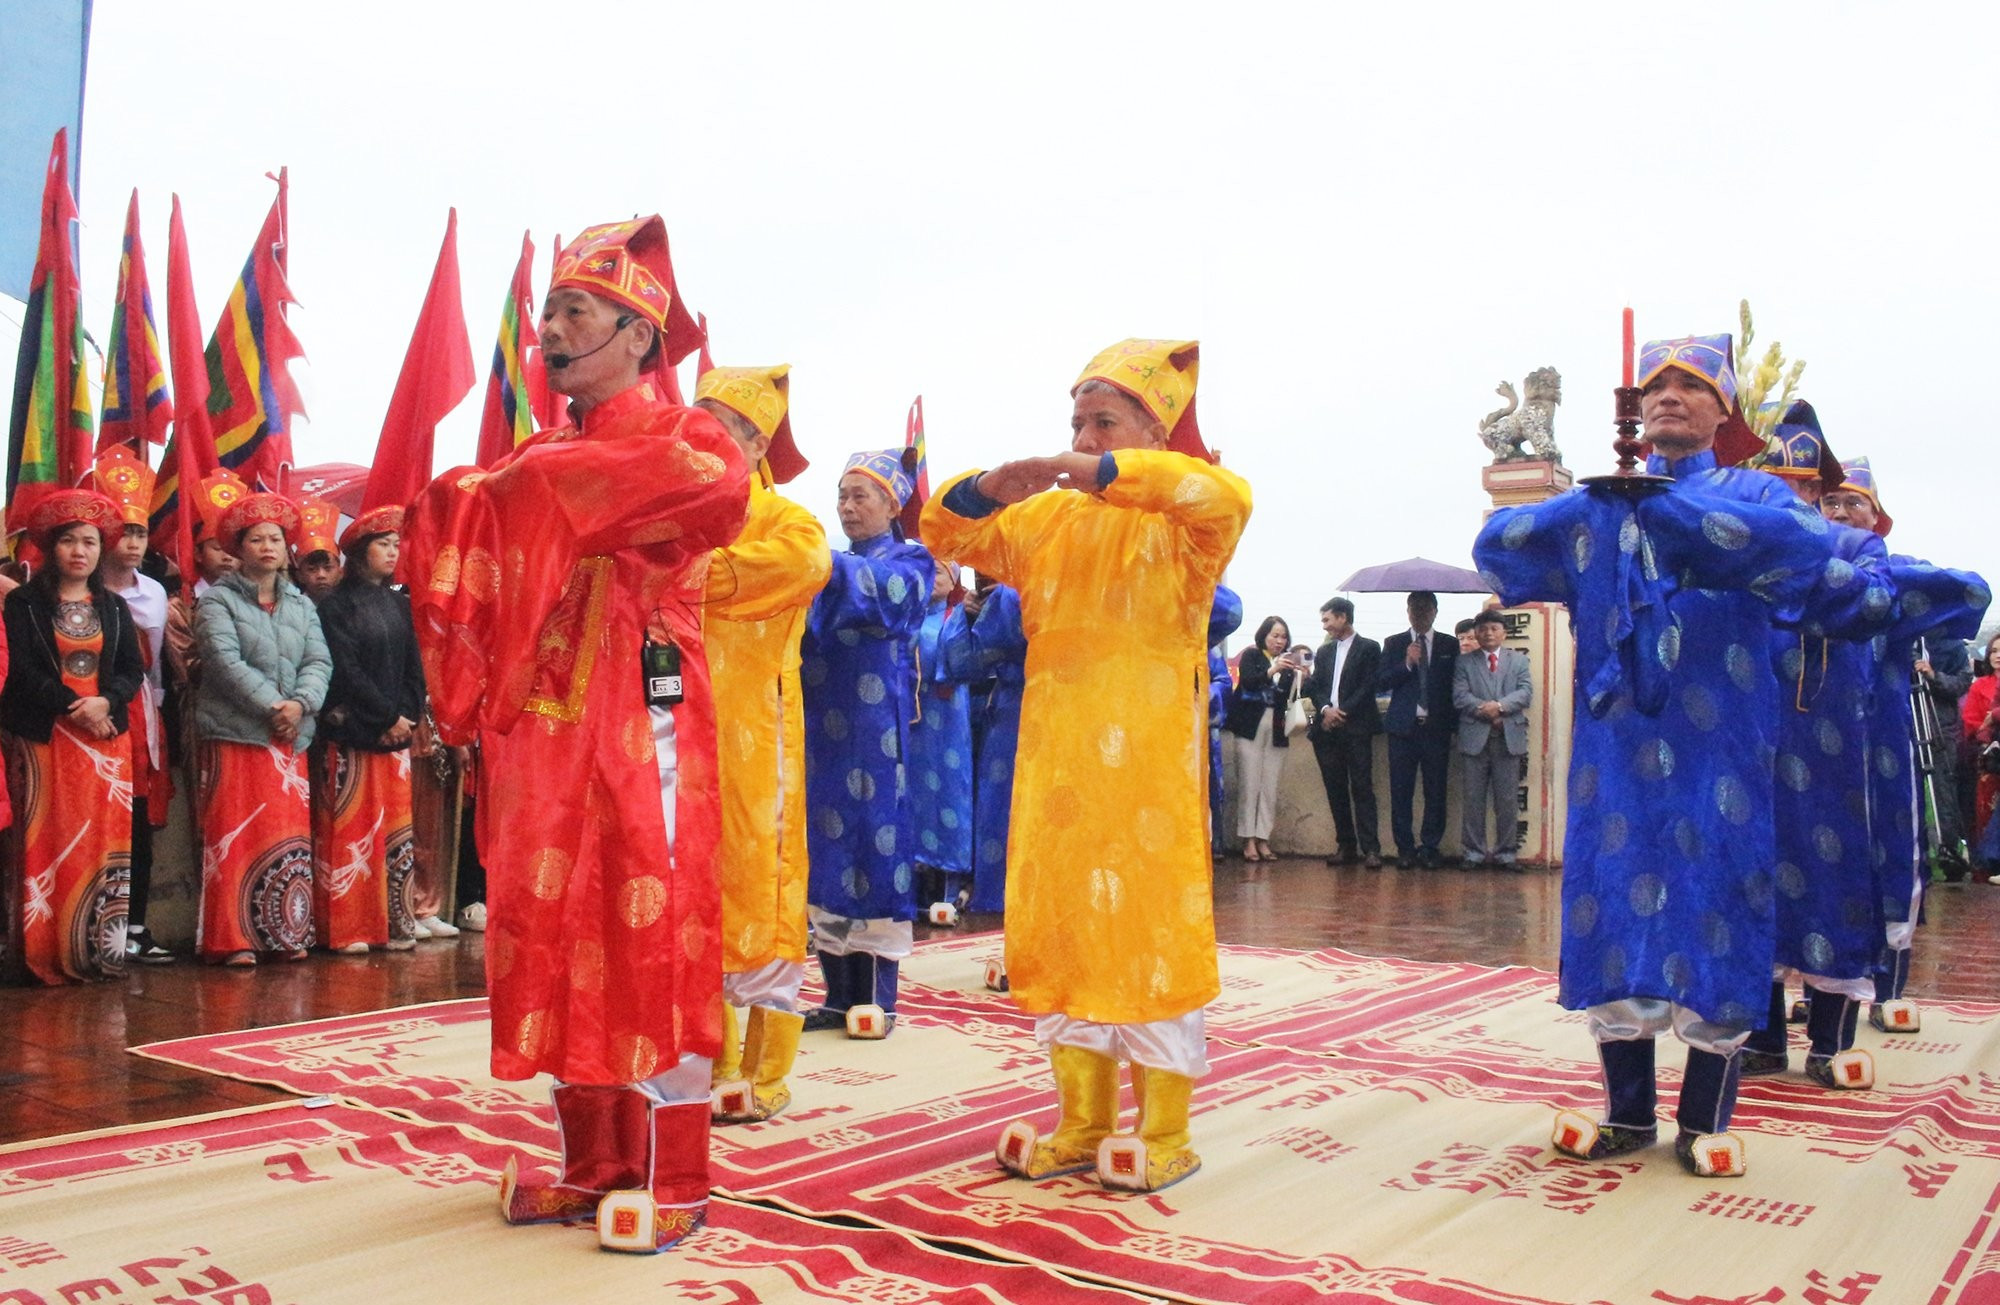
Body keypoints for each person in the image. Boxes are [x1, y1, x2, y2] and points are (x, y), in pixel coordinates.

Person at [402, 215, 749, 1254]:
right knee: (550, 927)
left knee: (652, 923)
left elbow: (705, 496)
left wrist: (510, 494)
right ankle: (592, 1165)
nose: (549, 330)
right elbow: (453, 528)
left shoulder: (691, 442)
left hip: (643, 724)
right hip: (542, 736)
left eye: (575, 312)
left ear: (639, 336)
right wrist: (475, 502)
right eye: (548, 311)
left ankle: (676, 1171)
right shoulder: (540, 453)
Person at [1476, 329, 1862, 1178]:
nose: (1669, 398)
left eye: (1690, 385)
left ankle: (1704, 1117)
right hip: (1615, 750)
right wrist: (1598, 506)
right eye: (1655, 386)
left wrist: (1670, 513)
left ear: (1724, 409)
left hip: (1719, 745)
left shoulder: (1758, 492)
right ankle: (1625, 1114)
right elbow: (1498, 549)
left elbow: (1802, 553)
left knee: (1718, 901)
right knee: (1611, 908)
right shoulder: (1605, 501)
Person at [924, 337, 1251, 1193]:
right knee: (1065, 934)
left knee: (1148, 936)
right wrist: (996, 484)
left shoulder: (1186, 522)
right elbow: (945, 529)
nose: (1081, 435)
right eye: (1076, 421)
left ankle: (1168, 1129)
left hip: (1146, 767)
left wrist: (1101, 469)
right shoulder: (1047, 522)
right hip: (1057, 762)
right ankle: (1082, 1123)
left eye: (1103, 420)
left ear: (1156, 425)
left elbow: (1218, 492)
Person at [1732, 403, 1899, 1090]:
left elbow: (1878, 604)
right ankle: (1764, 1038)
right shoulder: (1747, 547)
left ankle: (1830, 1042)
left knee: (1835, 878)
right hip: (1757, 732)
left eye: (1810, 490)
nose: (1799, 501)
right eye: (1785, 484)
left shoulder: (1859, 550)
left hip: (1834, 739)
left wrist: (1812, 556)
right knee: (1758, 878)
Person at [694, 362, 829, 1123]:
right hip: (676, 730)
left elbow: (806, 567)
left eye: (717, 430)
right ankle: (709, 1061)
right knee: (696, 890)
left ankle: (767, 1071)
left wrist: (690, 574)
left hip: (759, 737)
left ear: (754, 441)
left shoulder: (788, 521)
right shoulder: (675, 513)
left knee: (764, 883)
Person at [1819, 457, 1988, 1034]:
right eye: (1829, 505)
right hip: (1815, 747)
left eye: (1853, 505)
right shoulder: (1801, 571)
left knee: (1893, 856)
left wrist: (1888, 586)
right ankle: (1821, 981)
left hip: (1884, 737)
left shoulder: (1895, 572)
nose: (1840, 514)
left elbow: (1968, 592)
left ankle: (1889, 987)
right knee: (1814, 862)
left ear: (1878, 519)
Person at [799, 450, 934, 1037]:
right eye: (842, 496)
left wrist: (808, 563)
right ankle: (835, 998)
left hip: (875, 738)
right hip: (822, 732)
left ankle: (880, 1001)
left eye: (861, 496)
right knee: (827, 857)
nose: (848, 507)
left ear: (892, 504)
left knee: (875, 855)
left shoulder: (912, 560)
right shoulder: (830, 566)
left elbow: (886, 597)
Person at [1, 490, 143, 983]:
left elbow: (132, 669)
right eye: (68, 541)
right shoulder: (23, 603)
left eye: (89, 542)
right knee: (50, 841)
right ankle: (45, 955)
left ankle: (97, 950)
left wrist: (107, 701)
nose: (79, 551)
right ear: (50, 548)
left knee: (103, 842)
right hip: (49, 737)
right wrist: (74, 706)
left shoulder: (117, 608)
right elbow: (20, 670)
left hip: (106, 739)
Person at [193, 487, 331, 968]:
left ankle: (285, 931)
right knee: (236, 835)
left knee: (285, 835)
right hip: (235, 733)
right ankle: (232, 939)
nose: (267, 547)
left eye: (275, 538)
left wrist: (300, 704)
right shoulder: (216, 602)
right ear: (238, 547)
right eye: (256, 539)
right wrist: (275, 704)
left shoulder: (302, 605)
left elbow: (319, 659)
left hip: (289, 737)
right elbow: (223, 662)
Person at [311, 505, 427, 955]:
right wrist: (385, 717)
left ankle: (395, 923)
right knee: (353, 832)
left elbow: (414, 668)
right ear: (359, 553)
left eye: (397, 544)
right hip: (357, 733)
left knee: (394, 835)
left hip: (395, 736)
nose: (393, 552)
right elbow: (346, 670)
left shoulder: (400, 603)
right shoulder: (335, 607)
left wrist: (408, 715)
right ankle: (349, 928)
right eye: (383, 544)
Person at [93, 450, 176, 965]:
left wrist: (156, 715)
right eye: (122, 531)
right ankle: (98, 922)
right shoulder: (82, 591)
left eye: (141, 533)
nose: (132, 542)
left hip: (142, 712)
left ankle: (137, 925)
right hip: (90, 711)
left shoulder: (155, 595)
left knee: (140, 822)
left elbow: (158, 668)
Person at [937, 580, 1026, 919]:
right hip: (1010, 710)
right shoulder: (1003, 595)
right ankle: (997, 896)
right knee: (999, 809)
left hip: (1052, 708)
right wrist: (971, 615)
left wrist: (994, 604)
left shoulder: (1016, 591)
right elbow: (961, 665)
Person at [912, 559, 977, 919]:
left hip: (948, 724)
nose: (928, 578)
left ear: (952, 576)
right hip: (913, 725)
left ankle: (950, 886)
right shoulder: (905, 618)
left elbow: (968, 662)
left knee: (949, 794)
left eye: (937, 571)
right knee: (914, 797)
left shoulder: (957, 618)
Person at [1377, 591, 1458, 868]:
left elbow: (1454, 686)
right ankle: (1405, 849)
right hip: (1402, 729)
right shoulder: (1395, 643)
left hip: (1436, 729)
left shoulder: (1450, 644)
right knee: (1401, 791)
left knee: (1436, 790)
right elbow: (1382, 681)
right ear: (1407, 611)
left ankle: (1430, 847)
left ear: (1435, 611)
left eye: (1425, 609)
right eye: (1414, 608)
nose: (1419, 613)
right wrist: (1407, 663)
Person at [1305, 596, 1382, 869]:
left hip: (1357, 727)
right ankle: (1345, 844)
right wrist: (1326, 709)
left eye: (1327, 619)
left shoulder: (1370, 648)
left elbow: (1368, 686)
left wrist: (1342, 712)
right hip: (1327, 731)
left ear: (1343, 617)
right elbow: (1315, 686)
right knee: (1335, 788)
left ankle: (1371, 848)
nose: (1325, 626)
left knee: (1362, 787)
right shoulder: (1324, 652)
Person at [1452, 609, 1531, 869]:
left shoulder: (1518, 661)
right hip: (1475, 736)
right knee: (1473, 799)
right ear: (1476, 633)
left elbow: (1525, 693)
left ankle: (1506, 853)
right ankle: (1473, 853)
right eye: (1483, 629)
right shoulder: (1464, 662)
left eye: (1494, 628)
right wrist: (1486, 711)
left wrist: (1500, 707)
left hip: (1508, 736)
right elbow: (1460, 696)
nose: (1488, 633)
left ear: (1504, 633)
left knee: (1507, 799)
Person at [1225, 615, 1305, 862]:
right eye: (1274, 635)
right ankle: (1248, 839)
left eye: (1283, 636)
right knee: (1250, 784)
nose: (1279, 641)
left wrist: (1302, 675)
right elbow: (1248, 681)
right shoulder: (1252, 656)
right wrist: (1273, 669)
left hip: (1277, 727)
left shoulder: (1289, 665)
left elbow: (1294, 697)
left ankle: (1263, 838)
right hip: (1250, 726)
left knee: (1269, 786)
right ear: (1264, 636)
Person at [293, 499, 344, 603]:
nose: (321, 575)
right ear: (299, 576)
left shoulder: (352, 607)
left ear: (340, 572)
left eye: (328, 568)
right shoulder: (292, 609)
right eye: (312, 569)